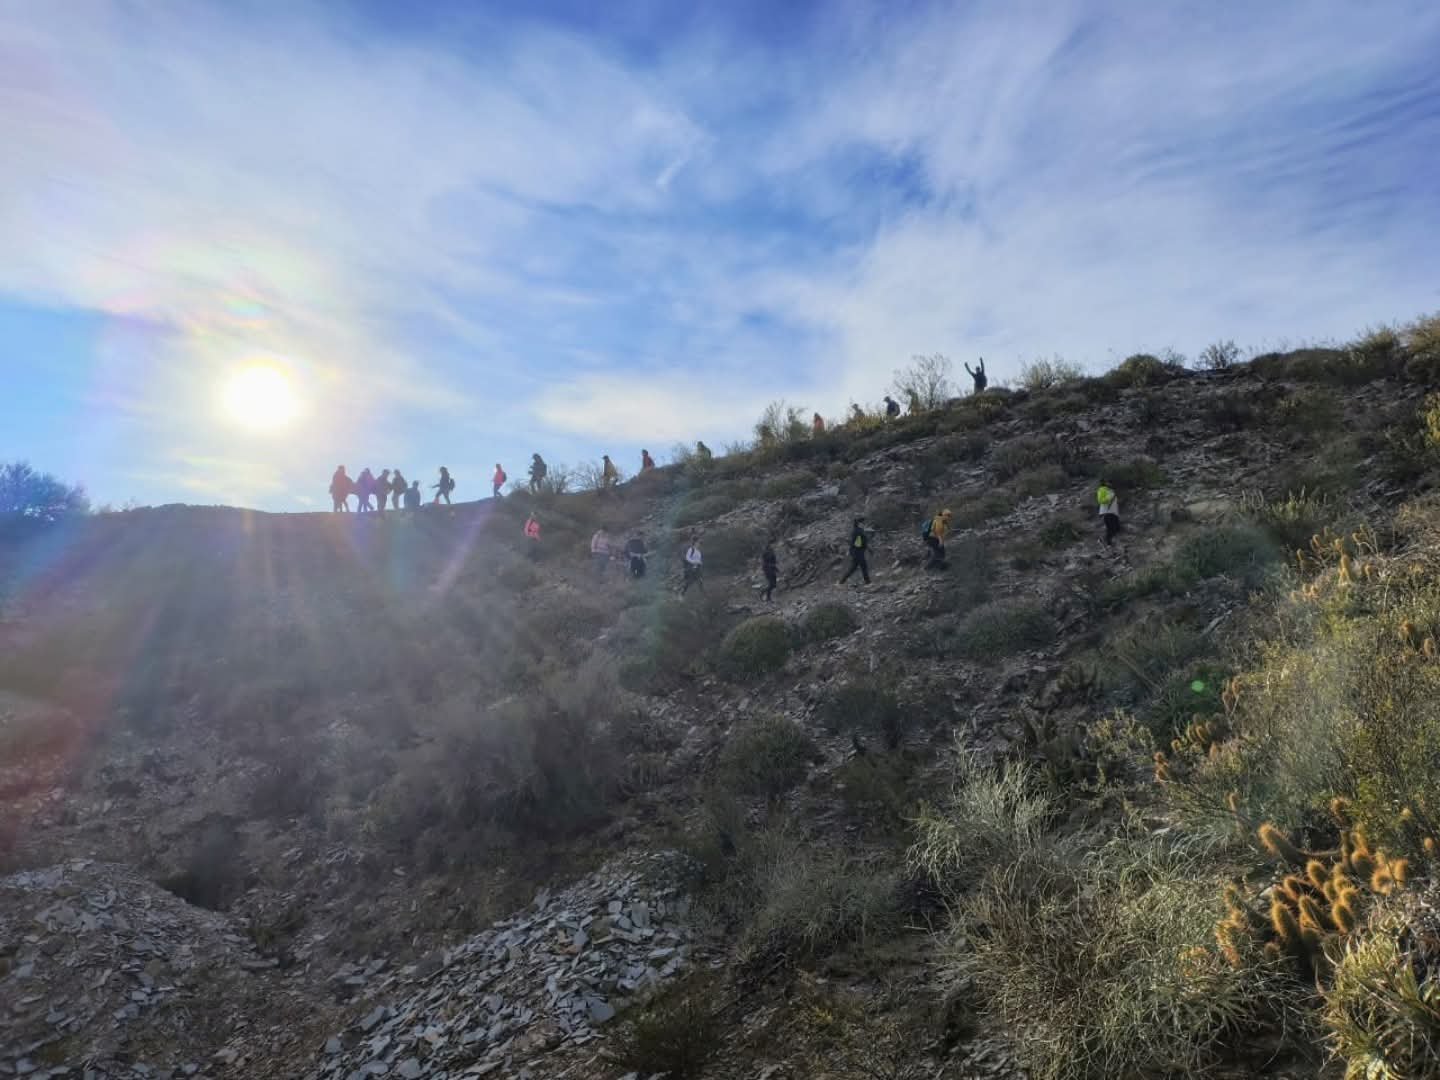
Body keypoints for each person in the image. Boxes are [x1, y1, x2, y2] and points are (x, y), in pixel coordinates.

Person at [839, 516, 871, 585]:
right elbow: (858, 543)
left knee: (853, 568)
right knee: (863, 567)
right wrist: (866, 548)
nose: (864, 524)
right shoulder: (858, 531)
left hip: (856, 552)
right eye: (863, 523)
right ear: (859, 523)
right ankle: (868, 583)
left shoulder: (857, 530)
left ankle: (841, 582)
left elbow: (858, 542)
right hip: (858, 552)